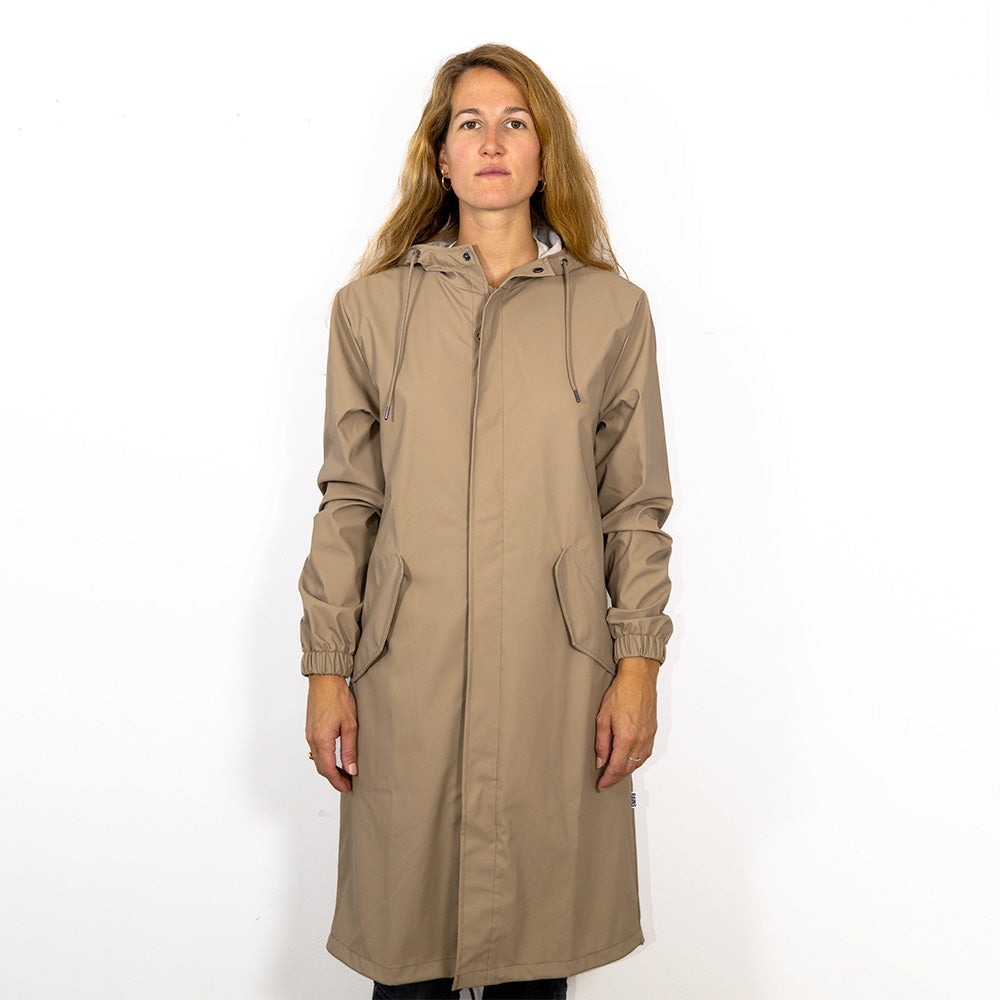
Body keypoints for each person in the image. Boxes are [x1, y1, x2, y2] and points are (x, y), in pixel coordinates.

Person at [298, 43, 674, 1000]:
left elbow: (635, 508)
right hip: (407, 675)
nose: (493, 141)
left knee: (532, 962)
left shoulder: (612, 312)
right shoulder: (370, 311)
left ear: (545, 155)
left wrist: (638, 667)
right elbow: (350, 500)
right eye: (471, 123)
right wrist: (326, 668)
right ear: (442, 156)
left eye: (516, 122)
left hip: (557, 677)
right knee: (407, 962)